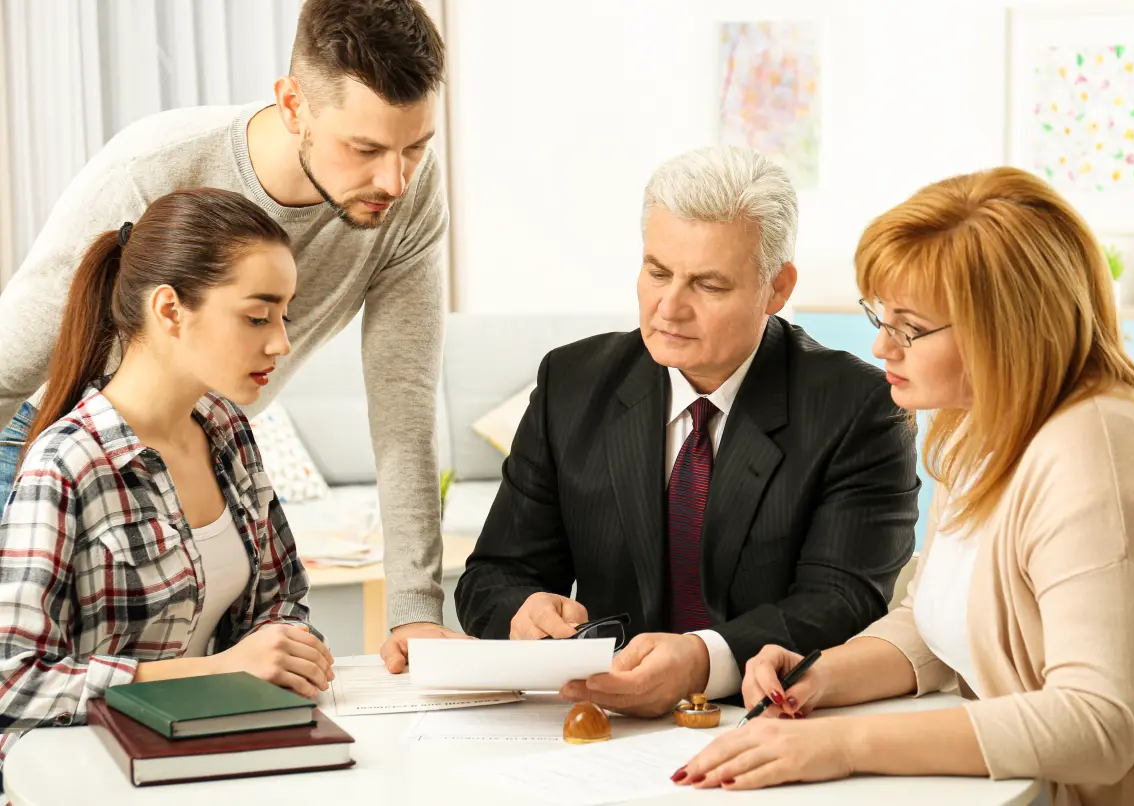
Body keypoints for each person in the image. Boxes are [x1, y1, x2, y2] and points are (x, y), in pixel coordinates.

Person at [674, 167, 1134, 804]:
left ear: (1007, 331)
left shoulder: (1098, 453)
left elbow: (1097, 721)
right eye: (880, 315)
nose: (881, 345)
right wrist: (822, 675)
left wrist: (840, 747)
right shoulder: (977, 424)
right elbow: (940, 616)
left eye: (909, 327)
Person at [0, 0, 462, 669]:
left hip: (203, 440)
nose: (394, 180)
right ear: (293, 103)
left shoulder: (411, 198)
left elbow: (404, 407)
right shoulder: (153, 170)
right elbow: (7, 371)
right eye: (364, 149)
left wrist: (416, 614)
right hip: (49, 438)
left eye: (416, 147)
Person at [455, 145, 920, 717]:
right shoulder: (570, 383)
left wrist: (703, 659)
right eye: (657, 272)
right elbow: (492, 577)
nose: (668, 308)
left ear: (777, 288)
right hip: (601, 723)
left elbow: (843, 600)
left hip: (768, 721)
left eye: (708, 285)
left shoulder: (859, 407)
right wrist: (523, 611)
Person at [0, 189, 335, 779]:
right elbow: (13, 683)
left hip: (213, 742)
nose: (281, 341)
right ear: (170, 309)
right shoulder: (67, 463)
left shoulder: (227, 428)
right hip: (93, 767)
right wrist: (225, 669)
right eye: (258, 316)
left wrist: (287, 646)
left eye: (286, 316)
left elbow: (281, 599)